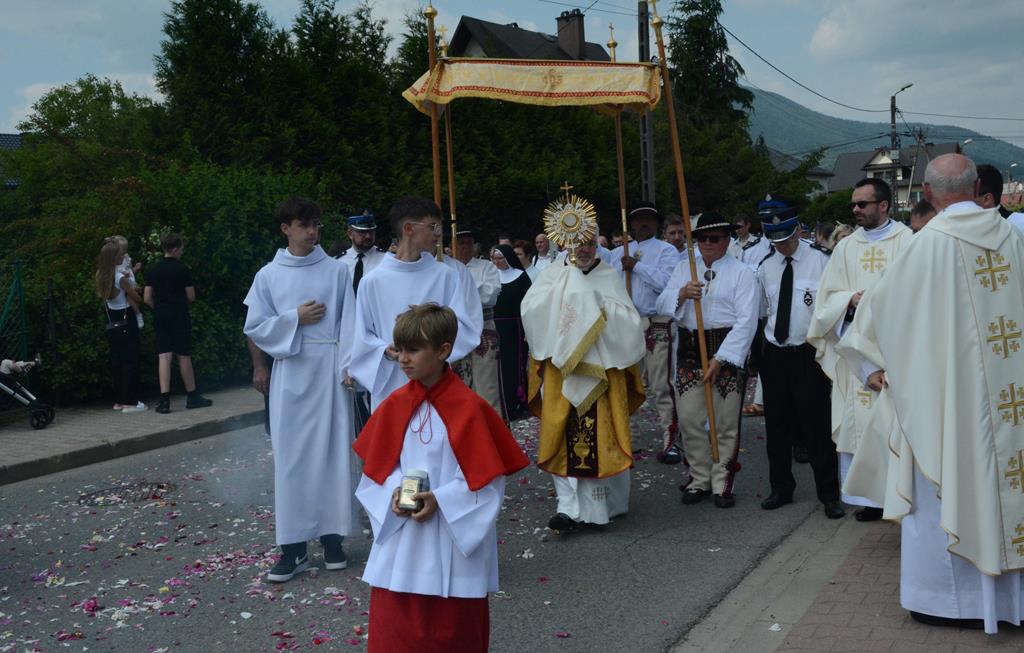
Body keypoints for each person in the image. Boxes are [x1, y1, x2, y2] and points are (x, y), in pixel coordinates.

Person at [836, 153, 1024, 633]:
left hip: (948, 407)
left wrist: (872, 366)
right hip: (1014, 401)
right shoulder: (1014, 238)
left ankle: (949, 602)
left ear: (926, 193)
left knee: (943, 487)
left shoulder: (925, 246)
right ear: (977, 187)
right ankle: (1015, 601)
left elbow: (878, 318)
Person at [353, 304, 529, 653]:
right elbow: (377, 471)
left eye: (414, 350)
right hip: (402, 541)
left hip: (452, 539)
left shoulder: (471, 408)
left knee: (451, 633)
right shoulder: (393, 405)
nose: (403, 359)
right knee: (396, 632)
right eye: (399, 349)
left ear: (443, 350)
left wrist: (442, 500)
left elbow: (487, 482)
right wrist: (393, 492)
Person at [243, 197, 358, 583]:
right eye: (304, 225)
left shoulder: (337, 271)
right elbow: (255, 327)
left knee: (332, 455)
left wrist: (348, 367)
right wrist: (294, 318)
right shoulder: (268, 275)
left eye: (316, 225)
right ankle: (293, 549)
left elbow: (350, 321)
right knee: (292, 461)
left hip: (329, 371)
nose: (312, 232)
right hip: (291, 374)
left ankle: (333, 540)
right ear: (286, 229)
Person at [522, 230, 646, 531]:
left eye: (590, 244)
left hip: (602, 371)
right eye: (578, 244)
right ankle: (567, 508)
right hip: (561, 371)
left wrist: (597, 306)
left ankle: (604, 507)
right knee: (561, 432)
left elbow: (630, 322)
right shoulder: (552, 275)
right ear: (565, 244)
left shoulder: (608, 276)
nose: (584, 250)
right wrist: (568, 302)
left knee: (603, 434)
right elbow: (530, 311)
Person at [807, 178, 912, 522]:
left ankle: (898, 496)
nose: (855, 210)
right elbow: (826, 299)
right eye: (853, 204)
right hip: (855, 352)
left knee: (895, 425)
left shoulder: (908, 241)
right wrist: (849, 300)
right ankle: (869, 500)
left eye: (862, 204)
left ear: (883, 205)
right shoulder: (846, 248)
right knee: (859, 425)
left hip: (894, 348)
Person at [656, 213, 758, 508]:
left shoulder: (742, 273)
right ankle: (699, 478)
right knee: (689, 419)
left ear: (727, 240)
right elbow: (661, 305)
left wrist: (722, 358)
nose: (708, 244)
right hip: (690, 351)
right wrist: (682, 294)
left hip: (726, 352)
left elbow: (747, 320)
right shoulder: (684, 268)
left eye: (715, 238)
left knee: (725, 423)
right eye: (702, 238)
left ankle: (722, 481)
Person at [755, 201, 844, 519]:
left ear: (797, 230)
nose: (781, 245)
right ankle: (781, 488)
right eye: (775, 240)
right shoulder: (766, 266)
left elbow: (832, 308)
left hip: (809, 354)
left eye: (785, 238)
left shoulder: (821, 261)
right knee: (777, 426)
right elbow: (763, 311)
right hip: (776, 354)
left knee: (816, 426)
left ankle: (829, 494)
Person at [351, 197, 480, 410]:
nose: (438, 234)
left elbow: (466, 329)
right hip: (391, 382)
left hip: (435, 382)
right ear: (409, 228)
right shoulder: (373, 281)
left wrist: (430, 320)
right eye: (432, 227)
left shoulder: (446, 276)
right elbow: (361, 337)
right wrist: (385, 350)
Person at [609, 202, 684, 461]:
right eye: (638, 219)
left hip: (656, 321)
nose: (643, 223)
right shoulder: (617, 253)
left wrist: (637, 267)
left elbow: (667, 283)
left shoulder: (666, 250)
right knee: (627, 383)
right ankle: (630, 439)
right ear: (630, 224)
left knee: (661, 383)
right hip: (626, 322)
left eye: (648, 219)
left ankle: (671, 439)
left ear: (656, 223)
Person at [143, 233, 212, 413]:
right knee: (183, 355)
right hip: (179, 315)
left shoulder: (153, 270)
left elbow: (146, 298)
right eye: (181, 249)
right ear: (174, 250)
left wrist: (159, 307)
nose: (182, 252)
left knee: (164, 356)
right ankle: (192, 396)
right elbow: (191, 296)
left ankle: (164, 400)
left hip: (160, 315)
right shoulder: (182, 269)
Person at [453, 228, 505, 420]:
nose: (465, 246)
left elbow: (490, 295)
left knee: (487, 383)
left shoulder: (486, 267)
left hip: (484, 328)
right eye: (461, 242)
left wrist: (463, 293)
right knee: (457, 381)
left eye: (469, 242)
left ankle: (490, 426)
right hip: (455, 330)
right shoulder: (445, 267)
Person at [95, 239, 146, 413]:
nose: (122, 256)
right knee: (131, 359)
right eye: (119, 254)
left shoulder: (100, 275)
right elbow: (137, 298)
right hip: (126, 316)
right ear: (113, 257)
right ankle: (131, 401)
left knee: (116, 360)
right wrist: (135, 291)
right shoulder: (120, 278)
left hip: (112, 318)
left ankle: (118, 400)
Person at [490, 245, 532, 418]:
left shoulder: (521, 277)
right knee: (496, 366)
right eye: (494, 259)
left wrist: (527, 328)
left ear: (508, 258)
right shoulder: (491, 277)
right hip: (494, 327)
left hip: (515, 328)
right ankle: (500, 402)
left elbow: (528, 304)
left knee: (514, 365)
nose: (497, 262)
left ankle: (517, 401)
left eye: (500, 258)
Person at [337, 212, 385, 296]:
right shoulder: (339, 262)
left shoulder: (385, 260)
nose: (368, 236)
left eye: (371, 231)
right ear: (350, 234)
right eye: (362, 232)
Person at [110, 235, 144, 328]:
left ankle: (138, 314)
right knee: (130, 297)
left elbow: (131, 271)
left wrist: (135, 269)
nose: (124, 251)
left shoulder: (126, 258)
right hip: (124, 283)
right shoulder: (114, 265)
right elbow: (118, 276)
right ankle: (138, 314)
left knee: (132, 296)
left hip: (130, 281)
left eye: (126, 249)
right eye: (122, 249)